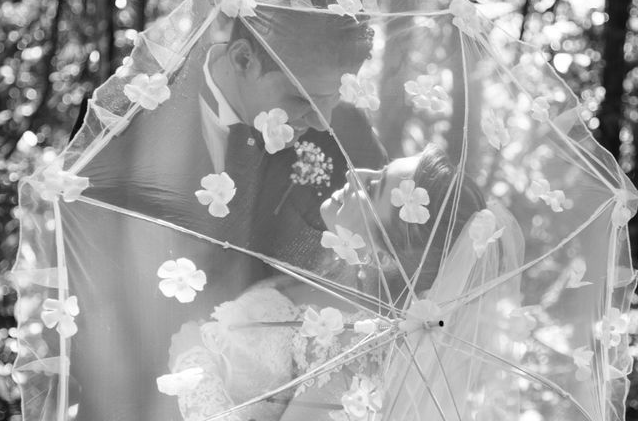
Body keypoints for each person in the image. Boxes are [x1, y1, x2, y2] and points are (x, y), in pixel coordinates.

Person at [68, 0, 385, 421]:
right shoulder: (123, 122)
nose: (321, 119)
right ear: (242, 57)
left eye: (332, 97)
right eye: (301, 98)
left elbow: (383, 259)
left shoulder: (345, 131)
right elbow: (92, 298)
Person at [165, 144, 493, 421]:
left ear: (386, 252)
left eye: (375, 185)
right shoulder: (327, 269)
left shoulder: (357, 358)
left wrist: (192, 368)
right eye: (377, 170)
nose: (354, 173)